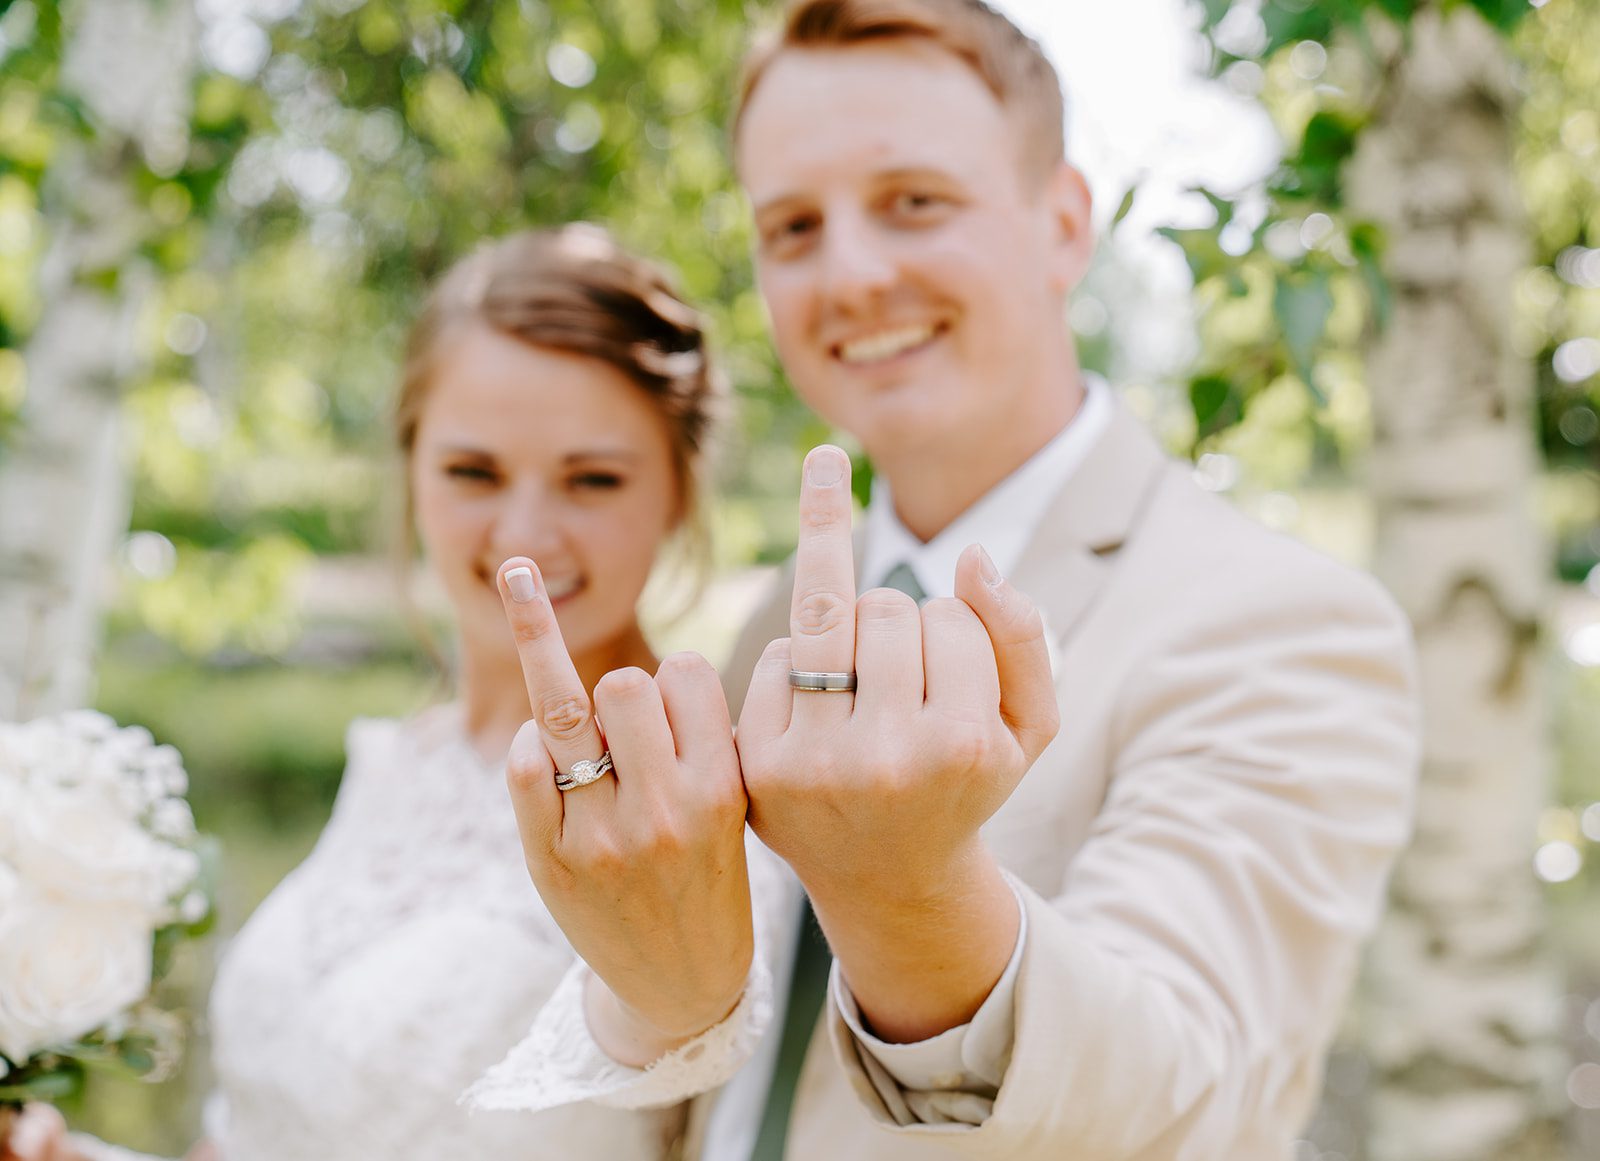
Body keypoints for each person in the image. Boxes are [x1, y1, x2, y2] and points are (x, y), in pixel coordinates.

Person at [486, 2, 1421, 1159]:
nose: (854, 275)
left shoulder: (1280, 620)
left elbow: (1195, 1098)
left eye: (913, 203)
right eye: (791, 227)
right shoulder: (775, 622)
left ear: (1064, 224)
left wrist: (906, 894)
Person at [4, 224, 769, 1161]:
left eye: (594, 479)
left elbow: (674, 1019)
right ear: (410, 469)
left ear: (679, 494)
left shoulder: (697, 802)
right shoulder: (398, 759)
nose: (524, 534)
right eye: (472, 472)